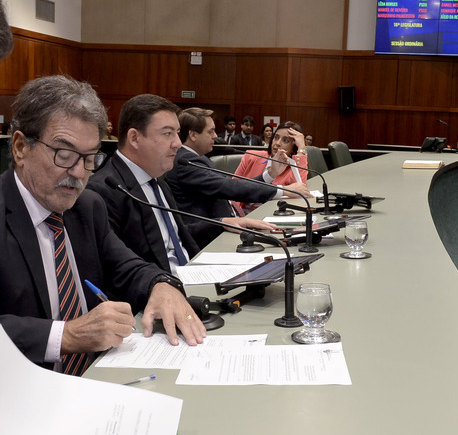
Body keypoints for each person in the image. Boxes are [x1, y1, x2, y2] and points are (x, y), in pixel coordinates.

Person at [0, 75, 205, 375]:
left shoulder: (87, 207)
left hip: (98, 377)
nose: (78, 173)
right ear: (20, 147)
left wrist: (160, 285)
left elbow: (127, 267)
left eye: (89, 158)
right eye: (64, 155)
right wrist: (66, 336)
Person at [88, 95, 276, 274]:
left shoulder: (156, 182)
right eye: (167, 133)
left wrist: (222, 223)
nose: (177, 143)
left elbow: (171, 236)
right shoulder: (103, 192)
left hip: (192, 271)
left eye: (177, 133)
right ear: (134, 138)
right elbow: (116, 268)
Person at [165, 108, 309, 248]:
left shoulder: (197, 158)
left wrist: (270, 174)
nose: (215, 136)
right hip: (212, 237)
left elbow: (230, 186)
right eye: (210, 131)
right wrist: (283, 190)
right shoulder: (186, 162)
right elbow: (229, 187)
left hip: (229, 226)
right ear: (193, 135)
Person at [233, 121, 310, 214]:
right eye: (276, 137)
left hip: (271, 215)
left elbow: (300, 190)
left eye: (285, 140)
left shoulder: (292, 167)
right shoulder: (250, 157)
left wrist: (301, 149)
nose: (277, 143)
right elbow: (233, 188)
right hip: (242, 214)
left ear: (294, 148)